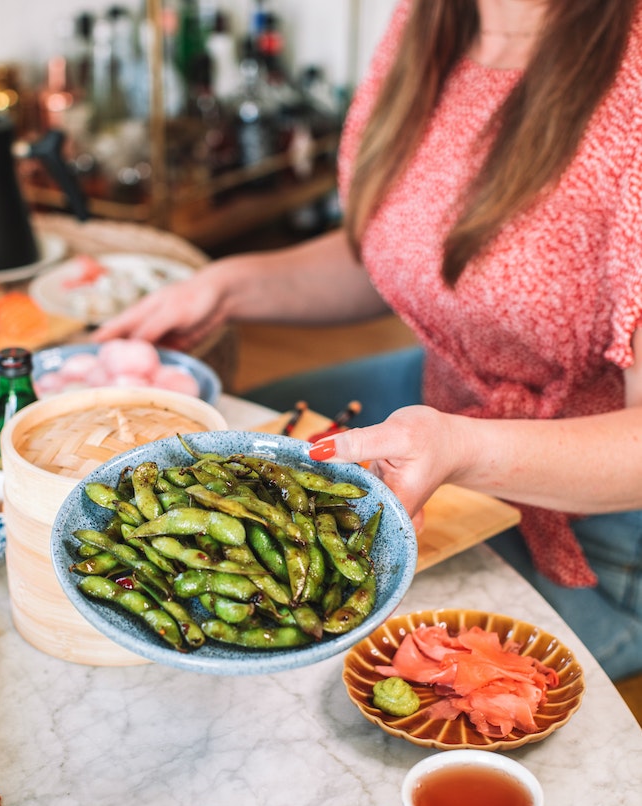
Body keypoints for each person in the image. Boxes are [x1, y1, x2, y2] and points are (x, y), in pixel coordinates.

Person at [95, 0, 642, 683]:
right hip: (442, 403)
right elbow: (405, 253)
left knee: (294, 671)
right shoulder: (432, 23)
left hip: (601, 535)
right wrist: (227, 286)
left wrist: (462, 449)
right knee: (194, 471)